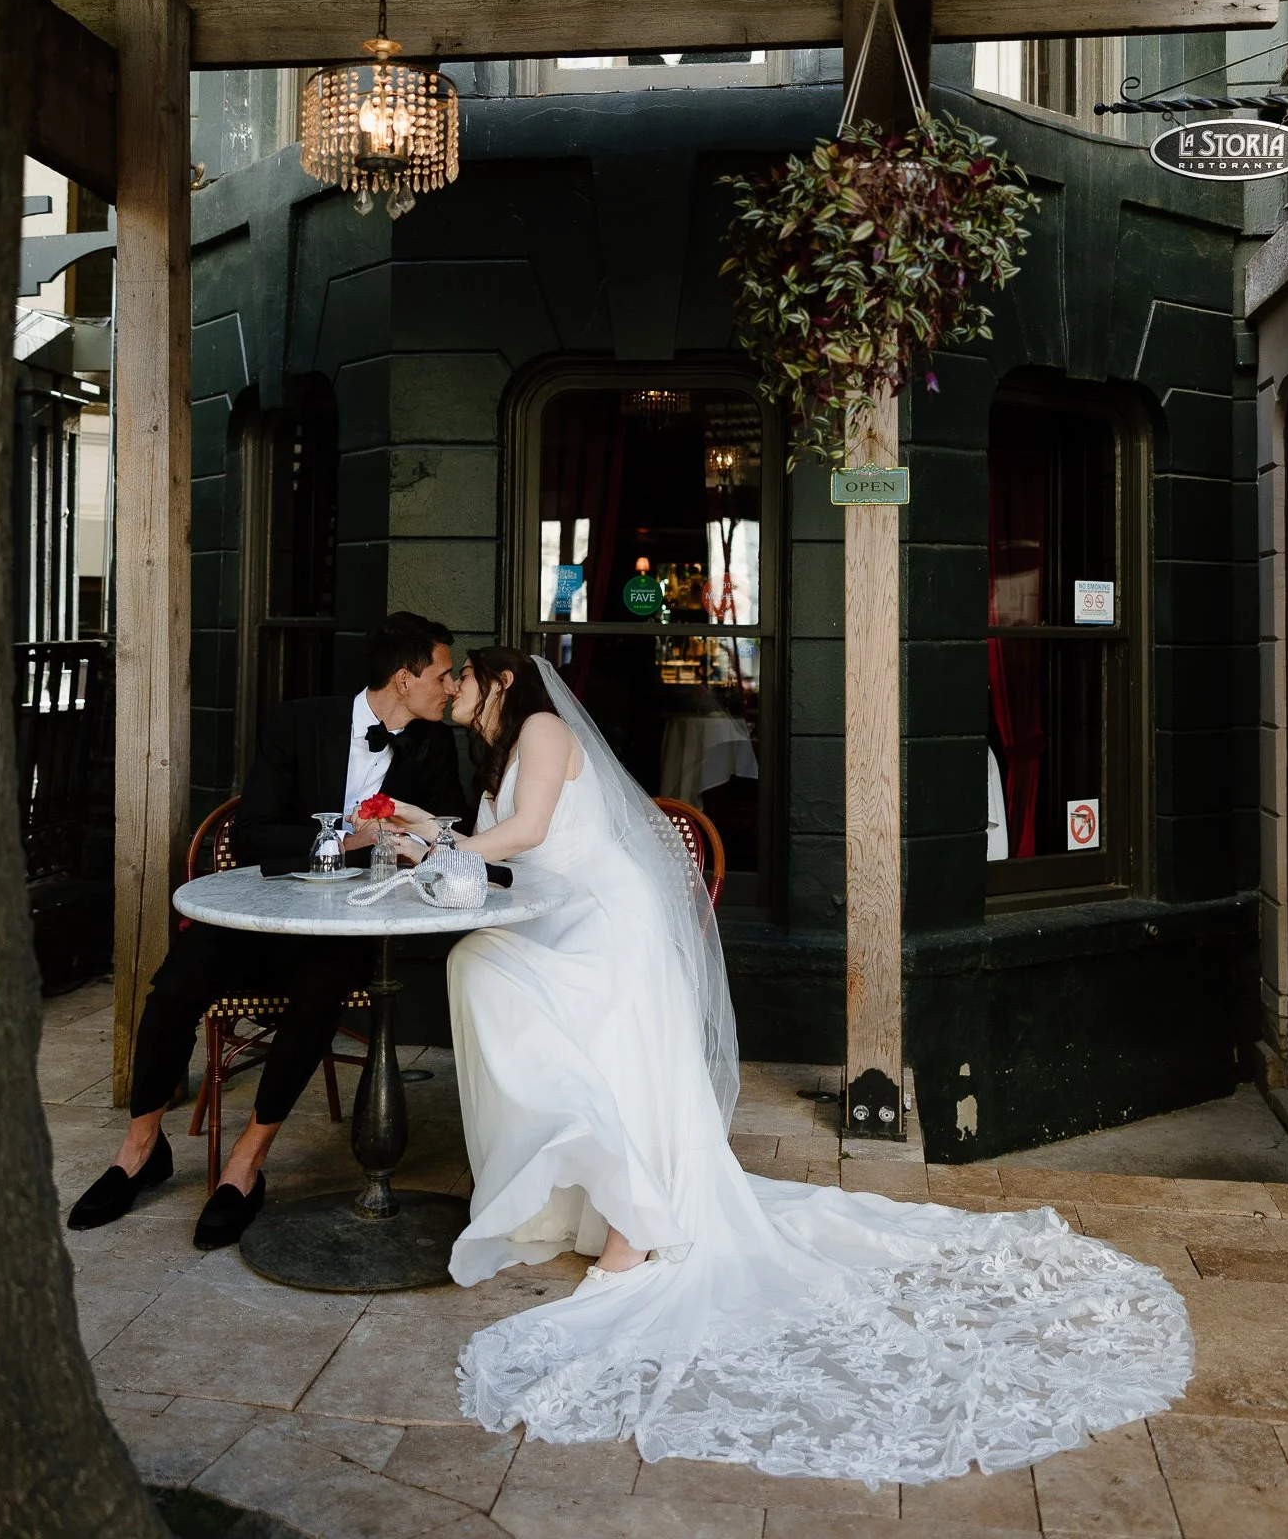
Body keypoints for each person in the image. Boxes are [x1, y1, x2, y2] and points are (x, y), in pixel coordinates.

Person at [389, 648, 1194, 1491]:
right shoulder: (490, 755)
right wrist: (422, 824)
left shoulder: (544, 728)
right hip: (550, 919)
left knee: (563, 1025)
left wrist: (445, 848)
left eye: (463, 679)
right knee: (480, 968)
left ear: (502, 682)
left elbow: (529, 832)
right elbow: (500, 836)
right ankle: (575, 1178)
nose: (450, 693)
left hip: (603, 926)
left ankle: (632, 1218)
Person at [67, 613, 466, 1251]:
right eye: (444, 673)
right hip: (267, 909)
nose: (450, 686)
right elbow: (251, 834)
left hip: (348, 929)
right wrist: (351, 835)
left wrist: (414, 840)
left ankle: (244, 1169)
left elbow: (445, 835)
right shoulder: (297, 721)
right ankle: (139, 1153)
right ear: (404, 677)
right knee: (174, 986)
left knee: (320, 996)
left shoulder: (432, 746)